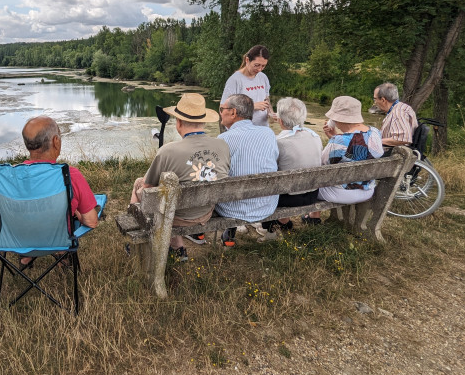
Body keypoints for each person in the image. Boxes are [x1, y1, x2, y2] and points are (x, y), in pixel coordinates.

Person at [0, 116, 100, 266]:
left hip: (16, 243)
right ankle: (62, 254)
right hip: (59, 241)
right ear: (56, 141)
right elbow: (91, 221)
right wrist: (76, 213)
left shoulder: (6, 178)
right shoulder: (70, 175)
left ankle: (26, 257)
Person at [130, 93, 229, 261]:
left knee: (139, 183)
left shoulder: (168, 151)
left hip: (177, 216)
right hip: (206, 211)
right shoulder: (222, 145)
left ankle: (137, 236)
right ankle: (179, 248)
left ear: (179, 122)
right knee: (171, 197)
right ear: (204, 121)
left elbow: (147, 188)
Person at [213, 94, 279, 246]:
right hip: (266, 204)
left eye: (222, 109)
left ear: (233, 113)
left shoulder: (224, 139)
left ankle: (228, 236)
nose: (220, 112)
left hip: (233, 208)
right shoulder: (268, 133)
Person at [256, 97, 323, 240]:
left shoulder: (278, 142)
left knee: (266, 185)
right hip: (312, 194)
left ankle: (270, 228)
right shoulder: (315, 136)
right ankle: (284, 222)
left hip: (288, 198)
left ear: (279, 120)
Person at [310, 96, 384, 222]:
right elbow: (354, 149)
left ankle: (313, 217)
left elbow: (320, 164)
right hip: (367, 190)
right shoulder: (375, 133)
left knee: (310, 184)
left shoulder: (339, 141)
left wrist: (334, 139)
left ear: (338, 119)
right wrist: (334, 136)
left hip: (341, 193)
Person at [221, 44, 271, 126]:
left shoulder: (263, 77)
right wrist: (252, 106)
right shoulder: (235, 80)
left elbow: (266, 100)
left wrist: (271, 113)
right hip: (242, 130)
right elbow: (224, 108)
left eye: (263, 66)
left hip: (262, 129)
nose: (259, 69)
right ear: (247, 60)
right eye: (257, 65)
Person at [373, 82, 418, 147]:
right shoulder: (397, 108)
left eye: (375, 99)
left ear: (383, 100)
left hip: (398, 154)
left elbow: (403, 139)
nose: (375, 102)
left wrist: (375, 142)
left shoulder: (398, 112)